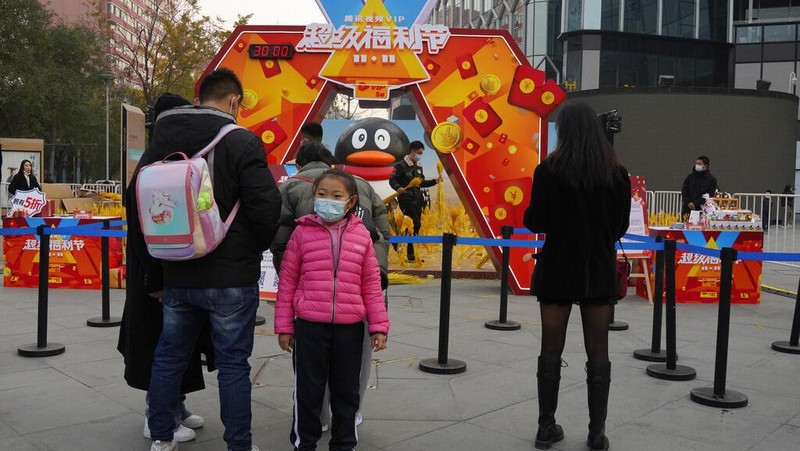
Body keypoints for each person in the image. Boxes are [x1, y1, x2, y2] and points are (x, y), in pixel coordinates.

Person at [145, 68, 282, 451]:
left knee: (169, 357)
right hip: (230, 277)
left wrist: (156, 270)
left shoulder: (162, 141)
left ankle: (161, 437)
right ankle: (238, 445)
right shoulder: (242, 141)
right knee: (233, 365)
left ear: (198, 98)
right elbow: (265, 206)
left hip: (176, 269)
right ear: (234, 101)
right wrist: (250, 250)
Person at [523, 102, 631, 451]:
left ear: (565, 131)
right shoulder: (616, 174)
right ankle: (597, 433)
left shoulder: (548, 170)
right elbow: (620, 226)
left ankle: (545, 427)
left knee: (550, 348)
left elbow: (537, 221)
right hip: (597, 270)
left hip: (557, 268)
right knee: (598, 350)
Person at [269, 140, 390, 431]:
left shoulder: (289, 187)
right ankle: (350, 414)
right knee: (355, 366)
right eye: (322, 195)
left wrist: (300, 288)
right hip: (347, 304)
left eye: (336, 196)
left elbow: (278, 242)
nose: (328, 200)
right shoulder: (361, 185)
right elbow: (383, 231)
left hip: (319, 304)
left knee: (310, 373)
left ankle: (321, 418)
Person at [117, 93, 212, 444]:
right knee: (160, 347)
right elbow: (144, 234)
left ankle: (176, 406)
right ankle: (156, 415)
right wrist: (153, 280)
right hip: (154, 278)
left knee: (179, 345)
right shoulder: (151, 168)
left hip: (170, 272)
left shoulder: (169, 160)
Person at [388, 141, 441, 262]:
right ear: (412, 152)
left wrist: (435, 181)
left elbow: (421, 183)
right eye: (418, 153)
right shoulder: (400, 166)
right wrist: (398, 187)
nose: (419, 156)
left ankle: (410, 253)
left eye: (421, 153)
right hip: (406, 200)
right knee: (415, 224)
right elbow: (392, 180)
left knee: (415, 227)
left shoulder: (418, 167)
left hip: (418, 200)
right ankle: (406, 249)